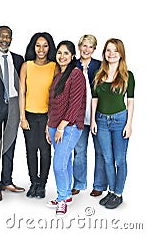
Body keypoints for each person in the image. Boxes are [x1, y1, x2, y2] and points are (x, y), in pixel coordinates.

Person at [91, 38, 135, 209]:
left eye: (115, 51)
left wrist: (129, 124)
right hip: (101, 121)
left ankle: (118, 193)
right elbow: (94, 99)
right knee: (107, 159)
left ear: (121, 54)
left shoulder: (127, 76)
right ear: (104, 54)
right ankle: (111, 191)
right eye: (108, 50)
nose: (111, 54)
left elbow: (130, 101)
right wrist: (93, 120)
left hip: (119, 121)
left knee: (119, 159)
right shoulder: (99, 75)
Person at [45, 40, 86, 217]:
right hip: (55, 126)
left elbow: (75, 105)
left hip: (69, 127)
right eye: (59, 53)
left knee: (59, 164)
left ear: (72, 56)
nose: (62, 56)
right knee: (65, 161)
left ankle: (61, 199)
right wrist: (49, 126)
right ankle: (67, 194)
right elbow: (52, 104)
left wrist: (61, 126)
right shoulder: (58, 76)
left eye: (66, 53)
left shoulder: (76, 75)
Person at [0, 26, 25, 202]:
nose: (4, 39)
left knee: (9, 144)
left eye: (7, 36)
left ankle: (7, 180)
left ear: (11, 39)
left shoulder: (18, 59)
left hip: (14, 106)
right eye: (1, 36)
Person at [19, 32, 59, 198]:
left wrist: (52, 120)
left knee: (44, 150)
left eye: (45, 45)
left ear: (49, 48)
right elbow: (22, 92)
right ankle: (33, 183)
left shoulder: (54, 67)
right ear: (33, 47)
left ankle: (42, 185)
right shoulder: (26, 66)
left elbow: (56, 96)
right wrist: (22, 116)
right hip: (29, 114)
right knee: (30, 150)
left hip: (46, 116)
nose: (41, 49)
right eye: (38, 45)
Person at [71, 35, 107, 197]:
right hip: (78, 116)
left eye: (90, 47)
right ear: (79, 47)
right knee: (79, 151)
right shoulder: (72, 64)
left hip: (97, 115)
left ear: (94, 49)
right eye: (84, 46)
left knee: (100, 151)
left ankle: (99, 185)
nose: (86, 50)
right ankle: (78, 183)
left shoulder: (100, 66)